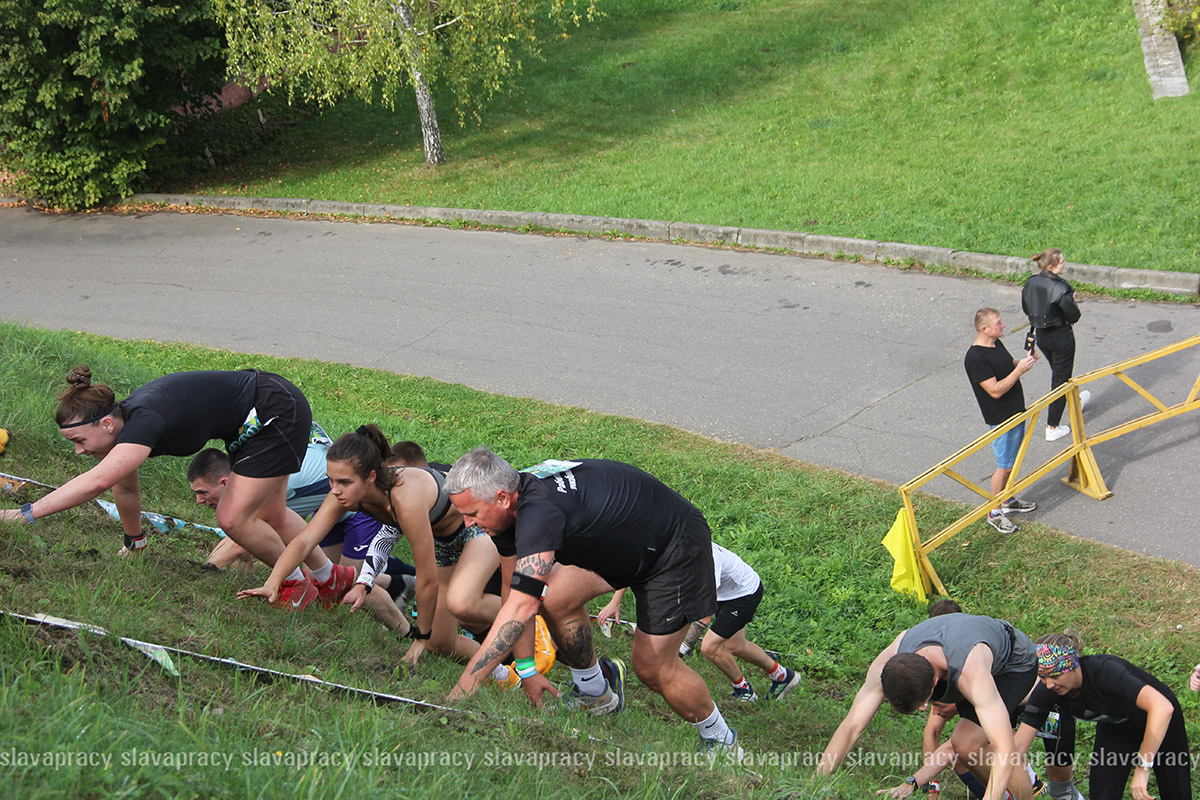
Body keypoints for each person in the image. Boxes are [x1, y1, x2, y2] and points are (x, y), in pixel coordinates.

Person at [443, 448, 743, 755]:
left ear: (503, 498)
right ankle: (594, 692)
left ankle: (722, 742)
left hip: (674, 546)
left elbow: (520, 607)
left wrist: (467, 684)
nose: (467, 524)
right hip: (629, 541)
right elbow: (513, 595)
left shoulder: (539, 513)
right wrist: (527, 669)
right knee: (555, 597)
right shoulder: (506, 511)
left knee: (653, 667)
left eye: (473, 514)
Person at [0, 366, 351, 610]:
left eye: (78, 440)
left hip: (274, 412)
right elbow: (124, 488)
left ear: (106, 424)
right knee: (272, 513)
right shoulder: (126, 427)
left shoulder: (145, 421)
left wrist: (26, 514)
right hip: (260, 411)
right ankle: (328, 578)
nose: (79, 451)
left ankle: (294, 584)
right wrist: (135, 541)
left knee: (232, 517)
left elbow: (99, 481)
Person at [238, 426, 498, 671]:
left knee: (462, 603)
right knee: (439, 642)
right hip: (444, 539)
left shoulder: (404, 500)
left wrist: (419, 636)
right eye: (330, 481)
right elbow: (305, 541)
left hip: (478, 523)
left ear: (371, 476)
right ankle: (504, 677)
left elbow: (427, 581)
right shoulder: (348, 495)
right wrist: (274, 582)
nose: (335, 490)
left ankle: (524, 608)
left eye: (344, 482)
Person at [187, 446, 416, 628]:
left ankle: (407, 627)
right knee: (324, 574)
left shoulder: (259, 487)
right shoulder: (250, 475)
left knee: (347, 584)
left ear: (224, 482)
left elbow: (241, 542)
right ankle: (397, 583)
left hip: (359, 510)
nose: (199, 501)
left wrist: (208, 569)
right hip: (331, 508)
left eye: (202, 493)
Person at [818, 612, 1038, 800]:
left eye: (924, 703)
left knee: (966, 743)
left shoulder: (971, 673)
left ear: (934, 682)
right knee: (964, 747)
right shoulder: (891, 658)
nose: (926, 709)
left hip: (1013, 662)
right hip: (963, 648)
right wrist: (815, 784)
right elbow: (851, 726)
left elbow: (1004, 747)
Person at [597, 541, 801, 703]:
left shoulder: (706, 562)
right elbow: (638, 570)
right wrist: (615, 601)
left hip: (744, 594)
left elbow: (703, 615)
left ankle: (744, 690)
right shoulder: (670, 547)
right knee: (737, 646)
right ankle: (783, 676)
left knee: (710, 647)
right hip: (725, 592)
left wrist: (679, 651)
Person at [1015, 632, 1191, 800]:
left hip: (1160, 723)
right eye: (1043, 678)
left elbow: (1162, 708)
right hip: (1117, 727)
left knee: (1175, 791)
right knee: (1103, 795)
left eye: (1055, 675)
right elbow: (1017, 747)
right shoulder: (1048, 691)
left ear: (1072, 665)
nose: (1049, 685)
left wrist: (1143, 766)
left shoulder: (1105, 671)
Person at [965, 308, 1040, 534]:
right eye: (998, 323)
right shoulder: (975, 358)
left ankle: (1007, 499)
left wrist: (1024, 361)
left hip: (1016, 410)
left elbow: (1007, 366)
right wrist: (1019, 371)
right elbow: (995, 390)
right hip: (1001, 418)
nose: (1003, 326)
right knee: (1004, 466)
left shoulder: (996, 344)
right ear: (984, 328)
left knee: (1012, 462)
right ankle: (995, 512)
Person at [1022, 249, 1089, 443]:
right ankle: (1052, 426)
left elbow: (1026, 307)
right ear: (1051, 267)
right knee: (1060, 380)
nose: (1065, 264)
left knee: (1060, 373)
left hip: (1042, 336)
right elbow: (1074, 316)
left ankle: (1074, 401)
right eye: (1062, 262)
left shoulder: (1031, 282)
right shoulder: (1062, 289)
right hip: (1061, 337)